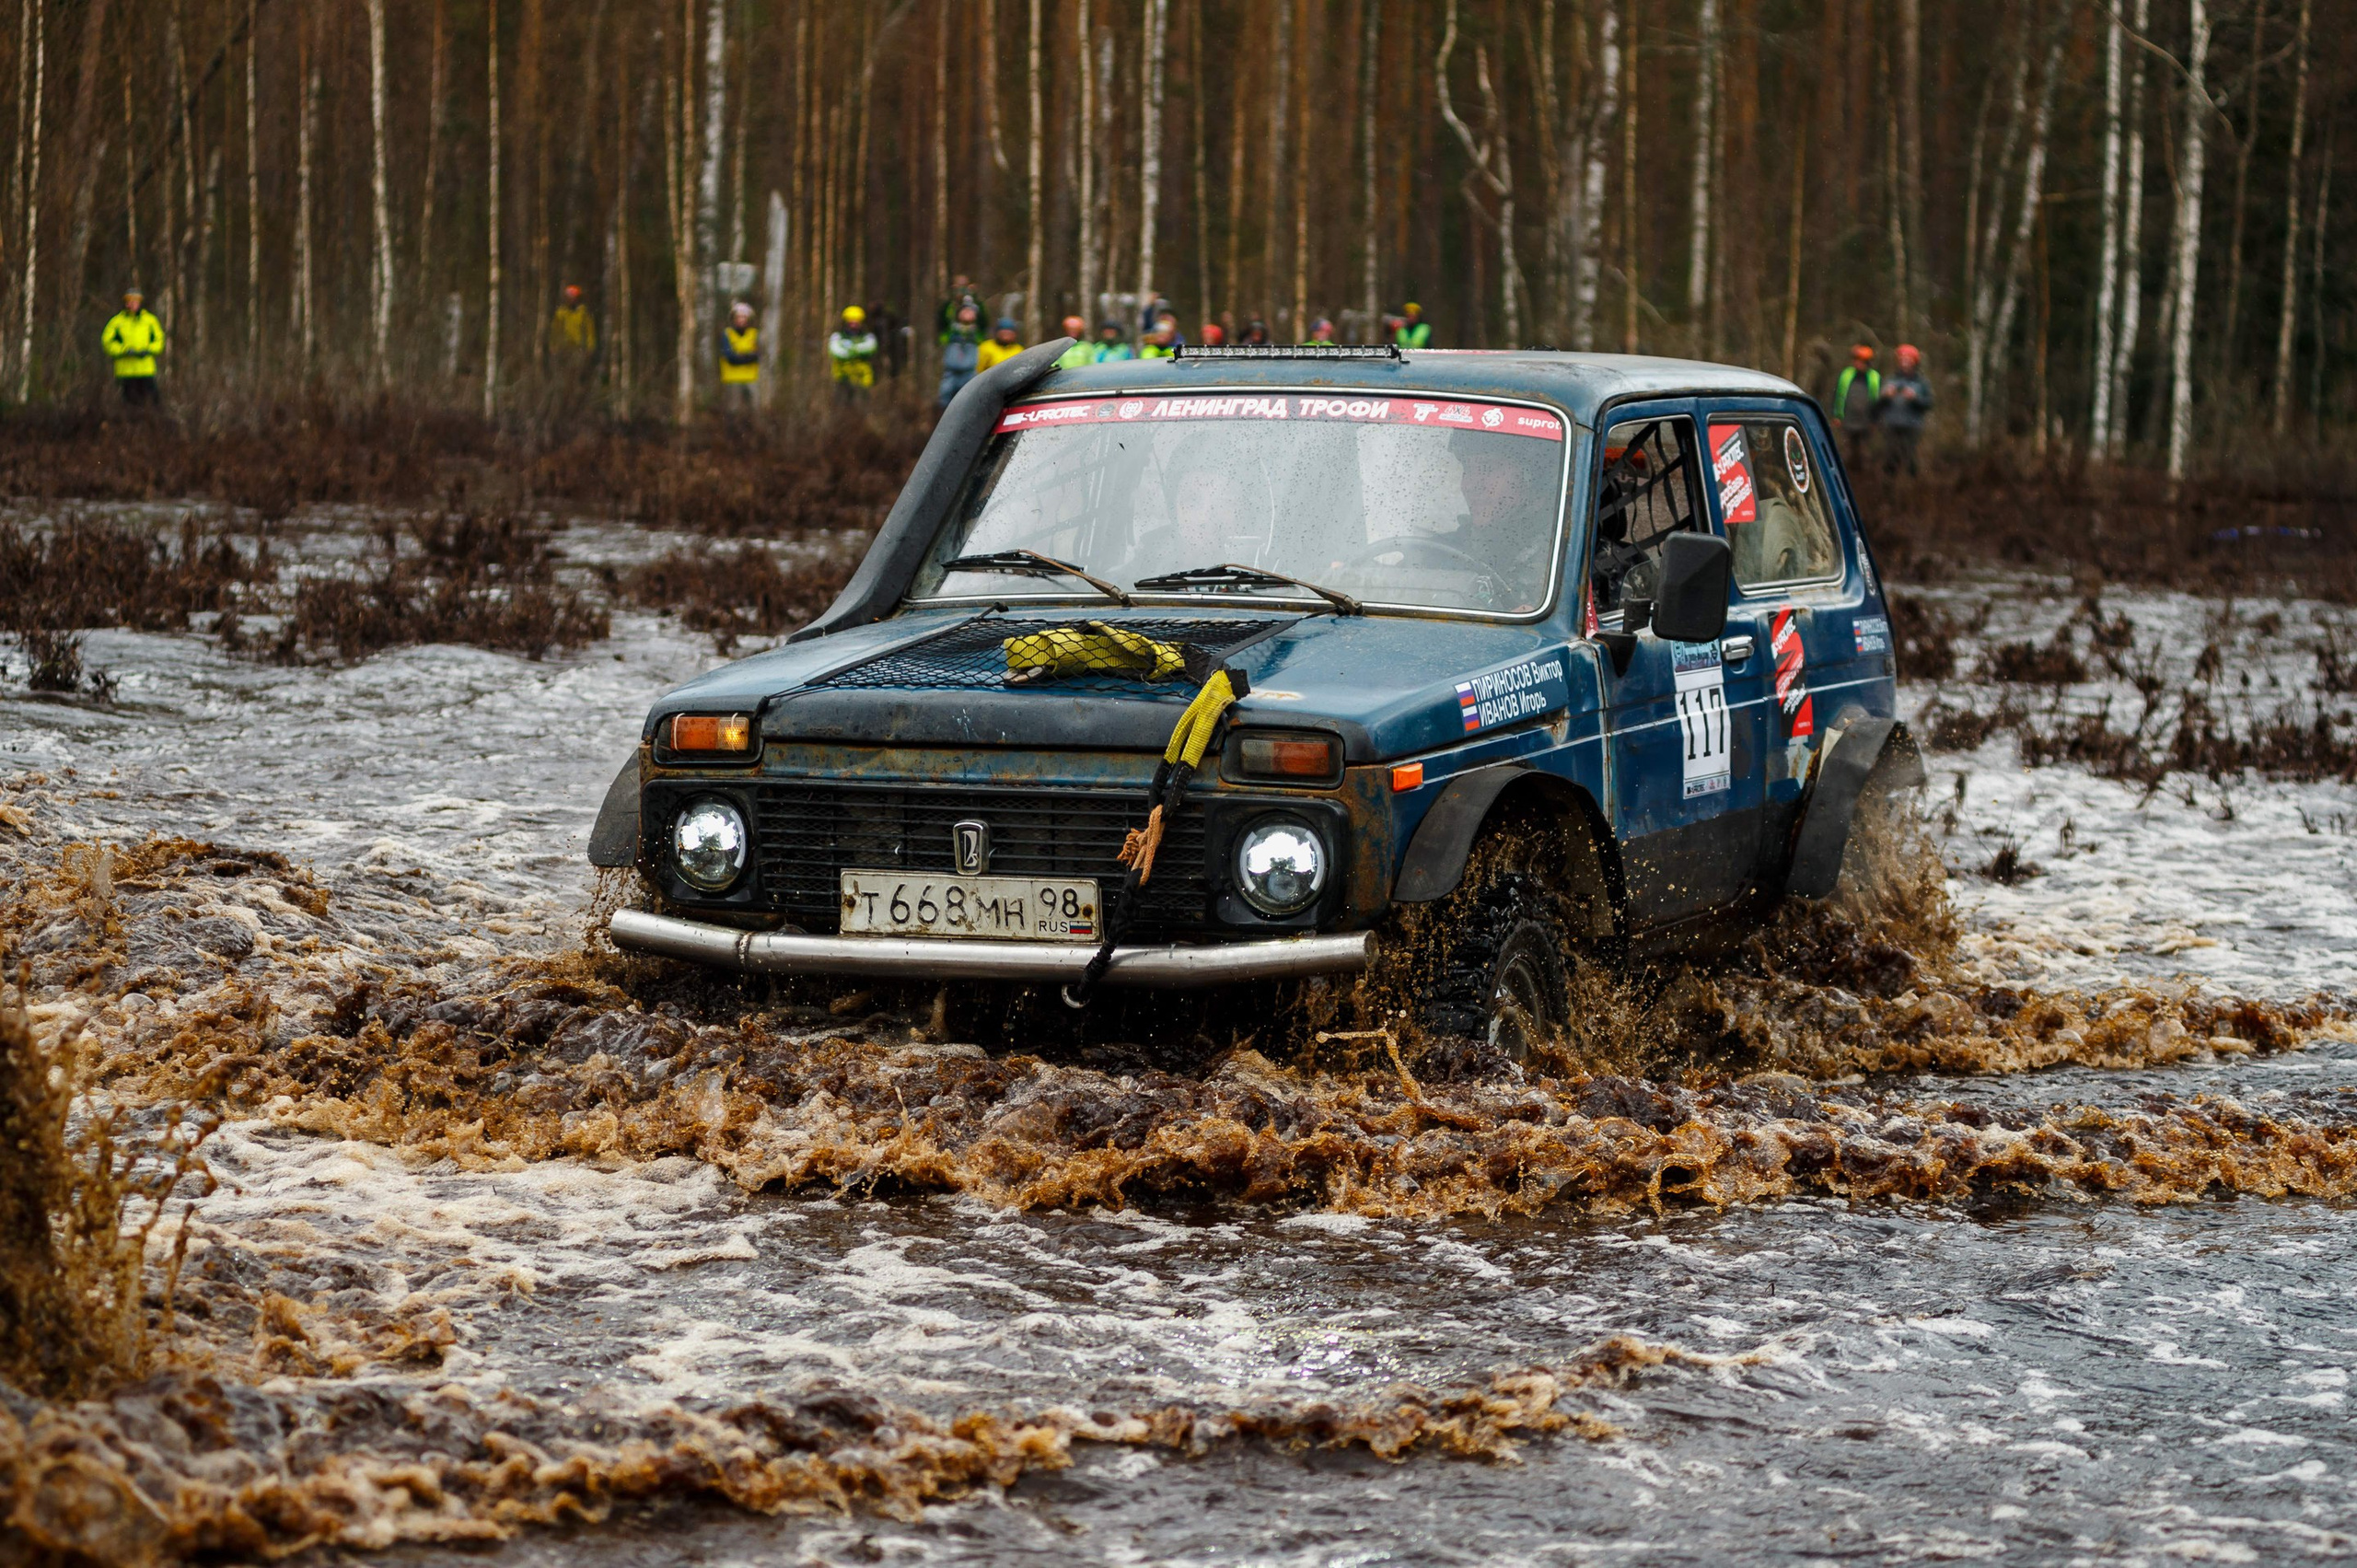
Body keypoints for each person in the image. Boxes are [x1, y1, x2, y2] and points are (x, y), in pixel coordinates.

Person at [100, 288, 165, 407]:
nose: (132, 304)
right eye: (129, 301)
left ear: (139, 302)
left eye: (135, 301)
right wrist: (124, 350)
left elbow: (159, 340)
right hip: (126, 371)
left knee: (154, 403)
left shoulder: (150, 320)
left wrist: (149, 350)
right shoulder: (117, 322)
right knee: (129, 405)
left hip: (146, 370)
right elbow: (107, 342)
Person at [1877, 343, 1933, 476]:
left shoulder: (1921, 382)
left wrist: (1915, 398)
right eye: (1902, 359)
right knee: (1890, 459)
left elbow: (1928, 404)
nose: (1905, 362)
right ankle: (1889, 487)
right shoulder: (1890, 379)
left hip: (1912, 427)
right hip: (1891, 426)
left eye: (1908, 360)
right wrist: (1885, 396)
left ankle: (1912, 488)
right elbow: (1879, 404)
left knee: (1911, 459)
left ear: (1914, 362)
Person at [1833, 344, 1880, 459]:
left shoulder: (1874, 377)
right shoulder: (1846, 375)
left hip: (1866, 422)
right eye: (1856, 360)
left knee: (1864, 453)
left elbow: (1878, 402)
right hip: (1847, 420)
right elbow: (1837, 395)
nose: (1858, 363)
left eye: (1862, 361)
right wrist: (1836, 415)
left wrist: (1874, 420)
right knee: (1846, 452)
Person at [827, 305, 877, 403]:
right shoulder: (838, 336)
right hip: (842, 378)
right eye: (851, 321)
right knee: (841, 406)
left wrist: (850, 350)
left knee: (863, 406)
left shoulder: (868, 337)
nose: (854, 324)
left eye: (856, 321)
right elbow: (836, 352)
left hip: (863, 379)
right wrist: (857, 351)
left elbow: (870, 349)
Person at [939, 304, 982, 406]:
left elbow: (984, 320)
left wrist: (974, 296)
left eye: (970, 311)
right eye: (964, 311)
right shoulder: (950, 331)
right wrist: (954, 299)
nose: (967, 314)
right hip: (951, 373)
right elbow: (943, 319)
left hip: (970, 373)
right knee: (945, 400)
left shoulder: (978, 333)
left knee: (971, 400)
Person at [549, 284, 597, 363]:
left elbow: (589, 331)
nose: (571, 300)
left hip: (579, 349)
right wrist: (553, 345)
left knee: (576, 371)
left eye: (574, 297)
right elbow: (555, 330)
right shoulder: (561, 313)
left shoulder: (583, 313)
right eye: (569, 297)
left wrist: (590, 347)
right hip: (563, 350)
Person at [936, 274, 984, 345]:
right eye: (959, 287)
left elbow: (983, 322)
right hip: (951, 341)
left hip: (973, 341)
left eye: (964, 286)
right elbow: (942, 322)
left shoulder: (976, 304)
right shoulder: (949, 305)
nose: (961, 290)